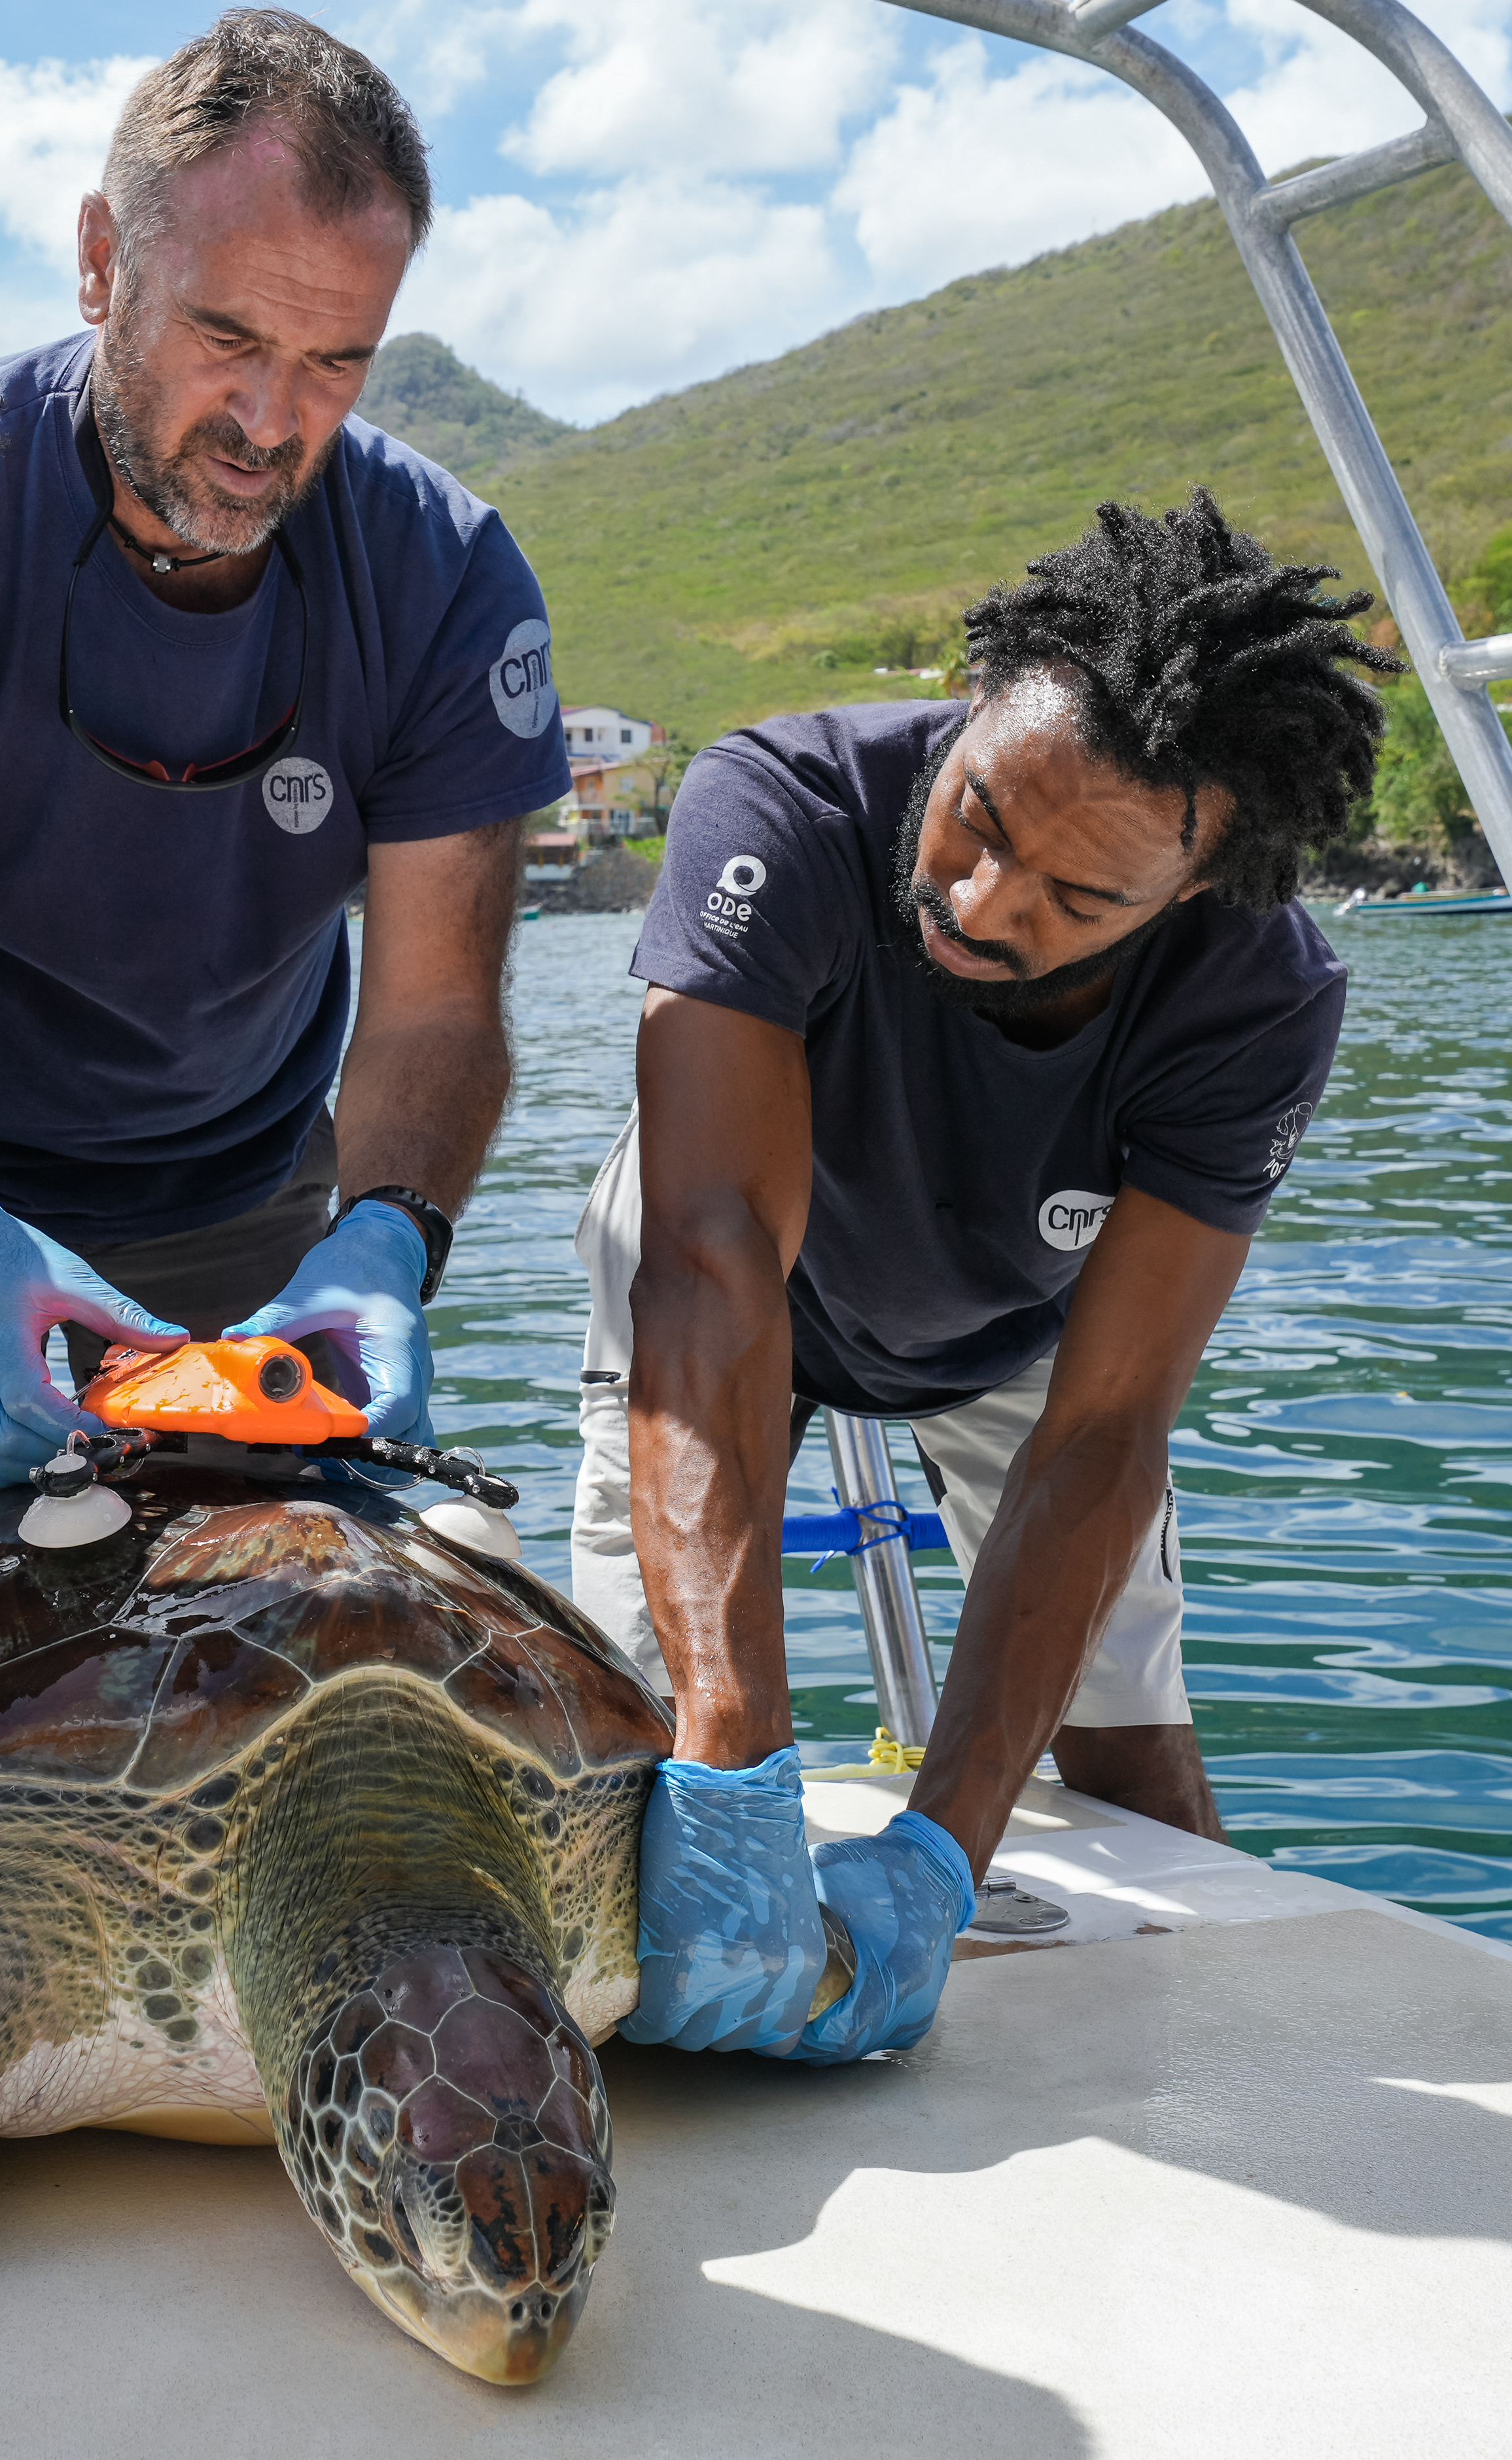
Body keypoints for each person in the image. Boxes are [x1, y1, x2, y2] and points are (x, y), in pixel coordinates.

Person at [0, 8, 563, 1594]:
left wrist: (384, 1241)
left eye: (337, 361)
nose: (273, 422)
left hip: (257, 1234)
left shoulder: (444, 578)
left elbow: (435, 1008)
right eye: (227, 337)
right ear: (102, 262)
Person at [571, 491, 1392, 2065]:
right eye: (975, 816)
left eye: (1078, 903)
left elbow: (1101, 1430)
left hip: (1024, 1323)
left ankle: (1193, 2084)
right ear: (967, 705)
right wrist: (733, 1749)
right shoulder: (782, 807)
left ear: (1194, 894)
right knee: (619, 1760)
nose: (979, 902)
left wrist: (944, 1845)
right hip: (725, 1257)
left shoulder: (1258, 992)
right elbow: (710, 1261)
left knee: (1132, 1760)